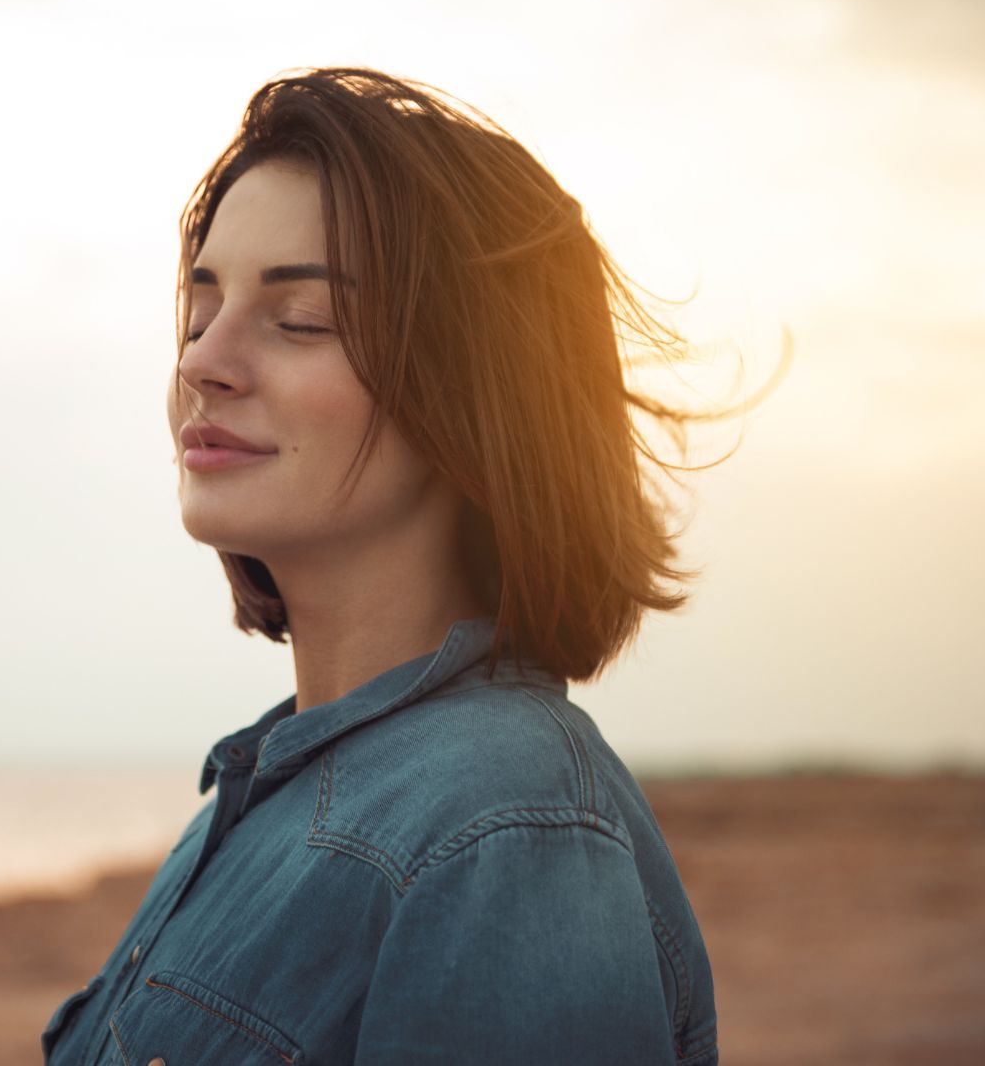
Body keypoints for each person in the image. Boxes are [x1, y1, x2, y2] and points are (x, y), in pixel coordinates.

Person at [40, 66, 766, 1064]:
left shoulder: (505, 826)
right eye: (201, 308)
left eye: (301, 321)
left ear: (473, 392)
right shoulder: (266, 794)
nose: (203, 360)